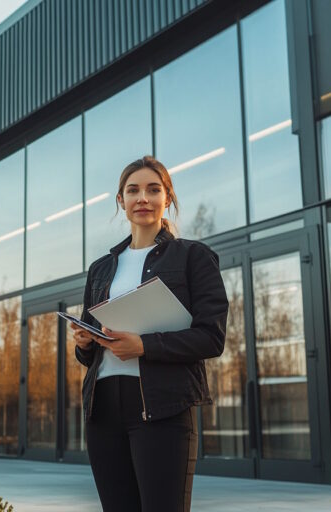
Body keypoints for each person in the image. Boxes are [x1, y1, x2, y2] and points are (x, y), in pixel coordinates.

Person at [72, 155, 228, 512]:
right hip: (103, 409)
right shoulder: (101, 268)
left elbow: (211, 337)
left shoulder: (193, 257)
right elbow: (89, 350)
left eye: (153, 189)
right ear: (121, 202)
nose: (143, 197)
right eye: (133, 190)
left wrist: (143, 345)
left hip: (163, 408)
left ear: (167, 198)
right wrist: (85, 343)